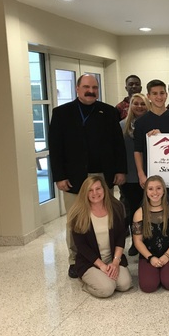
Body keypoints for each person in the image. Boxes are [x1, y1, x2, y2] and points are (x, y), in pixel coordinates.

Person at [49, 74, 127, 278]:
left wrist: (120, 170)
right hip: (74, 177)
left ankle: (108, 257)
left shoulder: (109, 112)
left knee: (105, 216)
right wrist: (59, 176)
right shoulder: (61, 113)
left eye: (94, 87)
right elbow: (55, 148)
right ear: (77, 89)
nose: (90, 90)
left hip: (104, 175)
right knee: (76, 220)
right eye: (86, 87)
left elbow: (118, 145)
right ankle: (75, 260)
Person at [68, 176, 132, 298]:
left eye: (98, 189)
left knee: (125, 284)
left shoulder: (116, 207)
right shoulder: (78, 213)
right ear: (85, 193)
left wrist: (115, 262)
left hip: (112, 258)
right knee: (107, 289)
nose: (95, 193)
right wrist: (102, 266)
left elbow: (120, 237)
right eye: (90, 190)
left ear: (104, 190)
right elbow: (81, 246)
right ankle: (86, 284)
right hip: (90, 261)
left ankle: (104, 278)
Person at [133, 79, 169, 202]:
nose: (159, 97)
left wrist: (162, 138)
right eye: (155, 93)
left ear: (166, 95)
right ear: (148, 96)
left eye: (162, 93)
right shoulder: (141, 122)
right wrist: (141, 175)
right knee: (153, 211)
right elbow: (138, 150)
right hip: (151, 177)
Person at [132, 176, 169, 292]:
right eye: (150, 189)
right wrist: (150, 258)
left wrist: (167, 255)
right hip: (148, 255)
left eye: (158, 188)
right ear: (146, 191)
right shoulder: (139, 213)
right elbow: (137, 241)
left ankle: (168, 269)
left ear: (164, 190)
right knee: (148, 286)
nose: (155, 192)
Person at [120, 93, 150, 256]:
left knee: (149, 210)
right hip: (130, 176)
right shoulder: (122, 126)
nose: (139, 107)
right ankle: (135, 241)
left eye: (143, 104)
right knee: (133, 211)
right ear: (130, 106)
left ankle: (149, 240)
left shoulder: (153, 125)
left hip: (150, 175)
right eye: (136, 103)